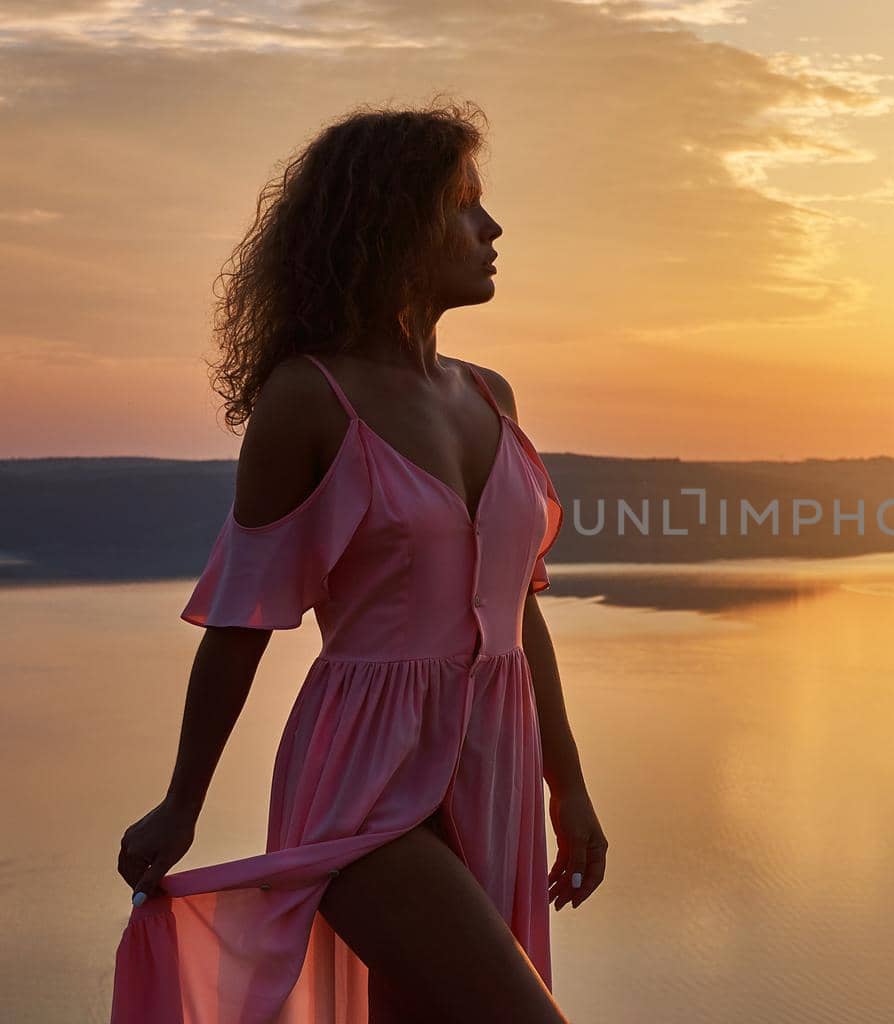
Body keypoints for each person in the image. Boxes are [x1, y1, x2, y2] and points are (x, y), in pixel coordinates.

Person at [109, 99, 606, 1023]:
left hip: (493, 760)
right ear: (391, 224)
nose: (491, 228)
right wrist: (182, 803)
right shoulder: (310, 400)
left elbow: (516, 609)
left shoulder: (489, 395)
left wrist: (566, 787)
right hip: (364, 779)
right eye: (465, 205)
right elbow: (243, 619)